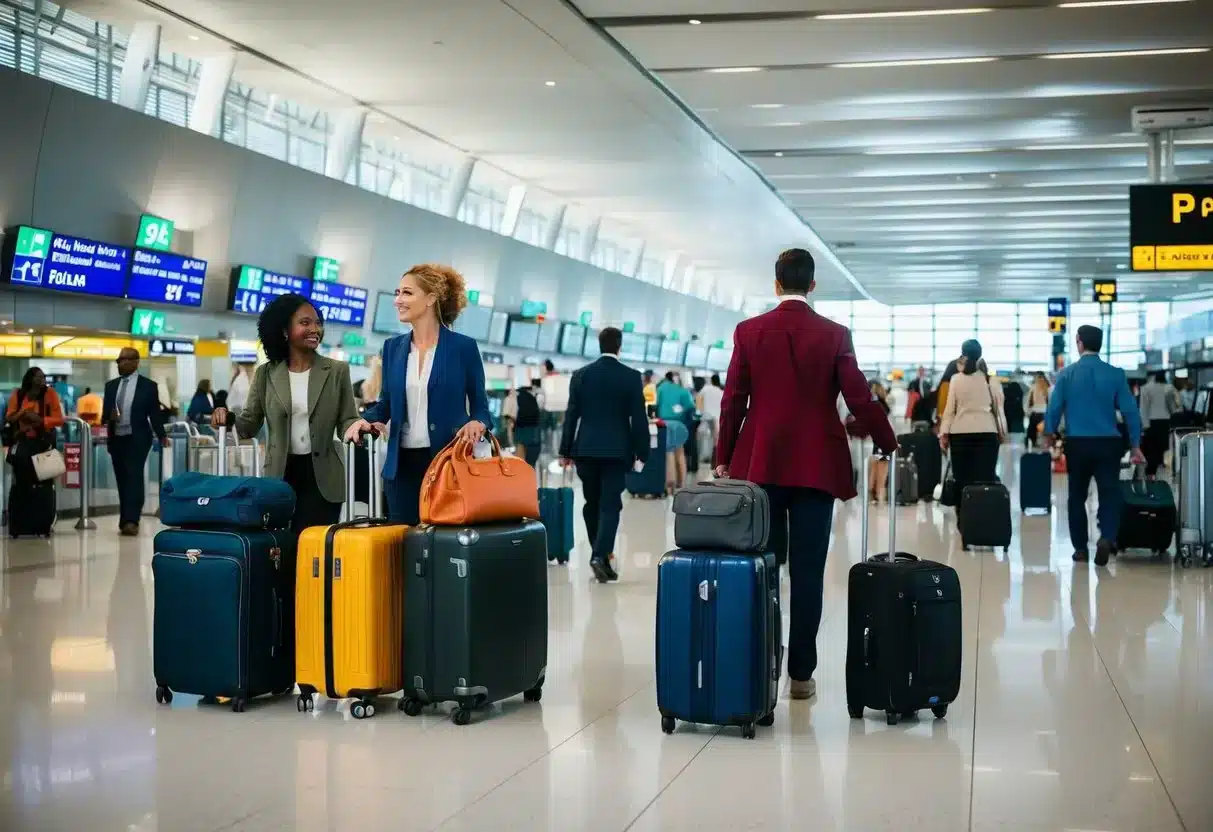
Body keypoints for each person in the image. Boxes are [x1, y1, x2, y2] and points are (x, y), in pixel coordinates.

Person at [715, 248, 897, 702]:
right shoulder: (835, 334)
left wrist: (723, 456)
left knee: (766, 566)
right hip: (817, 464)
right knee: (810, 571)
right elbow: (858, 397)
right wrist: (886, 438)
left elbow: (733, 399)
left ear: (776, 284)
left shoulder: (749, 331)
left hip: (761, 464)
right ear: (813, 285)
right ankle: (801, 673)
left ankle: (766, 661)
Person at [345, 264, 492, 525]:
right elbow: (386, 403)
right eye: (397, 293)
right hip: (401, 467)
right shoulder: (393, 348)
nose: (398, 300)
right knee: (403, 543)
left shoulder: (463, 348)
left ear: (431, 298)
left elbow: (482, 407)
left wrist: (476, 422)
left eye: (407, 293)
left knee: (443, 542)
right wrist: (365, 419)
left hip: (447, 462)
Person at [211, 294, 360, 537]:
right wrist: (227, 417)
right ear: (284, 331)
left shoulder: (336, 371)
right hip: (280, 473)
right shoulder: (266, 374)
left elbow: (347, 420)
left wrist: (359, 427)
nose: (315, 329)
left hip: (323, 476)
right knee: (280, 548)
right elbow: (249, 424)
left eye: (318, 323)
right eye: (305, 323)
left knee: (312, 546)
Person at [1044, 325, 1145, 566]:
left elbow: (1054, 408)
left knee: (1076, 496)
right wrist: (1135, 445)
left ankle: (1080, 548)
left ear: (1079, 342)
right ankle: (1107, 537)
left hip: (1077, 444)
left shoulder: (1067, 374)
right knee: (1110, 493)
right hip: (1109, 444)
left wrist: (1049, 433)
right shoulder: (1115, 374)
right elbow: (1131, 412)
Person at [559, 327, 650, 583]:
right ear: (619, 347)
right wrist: (642, 451)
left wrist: (565, 450)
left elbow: (571, 416)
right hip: (616, 451)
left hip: (585, 450)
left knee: (591, 504)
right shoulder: (631, 377)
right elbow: (638, 419)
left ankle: (600, 555)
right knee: (611, 505)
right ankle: (600, 555)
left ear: (599, 345)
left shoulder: (580, 376)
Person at [102, 348, 168, 536]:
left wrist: (161, 434)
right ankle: (124, 519)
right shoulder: (111, 386)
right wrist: (109, 417)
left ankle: (132, 520)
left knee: (134, 476)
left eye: (123, 360)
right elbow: (104, 416)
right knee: (122, 479)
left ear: (135, 362)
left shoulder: (148, 386)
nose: (119, 364)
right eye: (118, 360)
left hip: (137, 438)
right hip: (116, 439)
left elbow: (154, 413)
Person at [939, 342, 1004, 518]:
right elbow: (999, 408)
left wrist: (943, 434)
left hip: (960, 434)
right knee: (985, 479)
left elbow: (949, 410)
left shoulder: (956, 379)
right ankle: (983, 520)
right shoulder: (991, 379)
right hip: (987, 433)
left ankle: (964, 522)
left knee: (962, 481)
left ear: (963, 354)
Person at [656, 370, 694, 493]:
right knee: (680, 452)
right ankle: (681, 483)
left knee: (669, 453)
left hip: (665, 424)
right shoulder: (683, 390)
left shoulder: (661, 388)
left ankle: (669, 485)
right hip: (680, 424)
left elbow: (655, 405)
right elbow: (690, 407)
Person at [1139, 370, 1179, 478]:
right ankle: (1159, 466)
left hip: (1151, 421)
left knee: (1151, 446)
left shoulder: (1145, 388)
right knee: (1162, 446)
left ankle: (1151, 471)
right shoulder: (1169, 388)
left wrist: (1144, 424)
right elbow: (1173, 407)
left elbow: (1143, 407)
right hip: (1165, 420)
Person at [867, 381, 892, 504]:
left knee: (877, 465)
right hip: (882, 439)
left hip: (878, 439)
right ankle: (875, 492)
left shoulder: (875, 403)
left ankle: (874, 492)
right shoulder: (880, 403)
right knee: (881, 466)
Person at [1026, 372, 1050, 449]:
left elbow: (1029, 402)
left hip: (1035, 413)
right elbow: (1050, 402)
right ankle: (1043, 444)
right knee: (1043, 432)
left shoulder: (1033, 387)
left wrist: (1027, 411)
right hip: (1044, 413)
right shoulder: (1048, 388)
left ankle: (1033, 443)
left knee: (1032, 431)